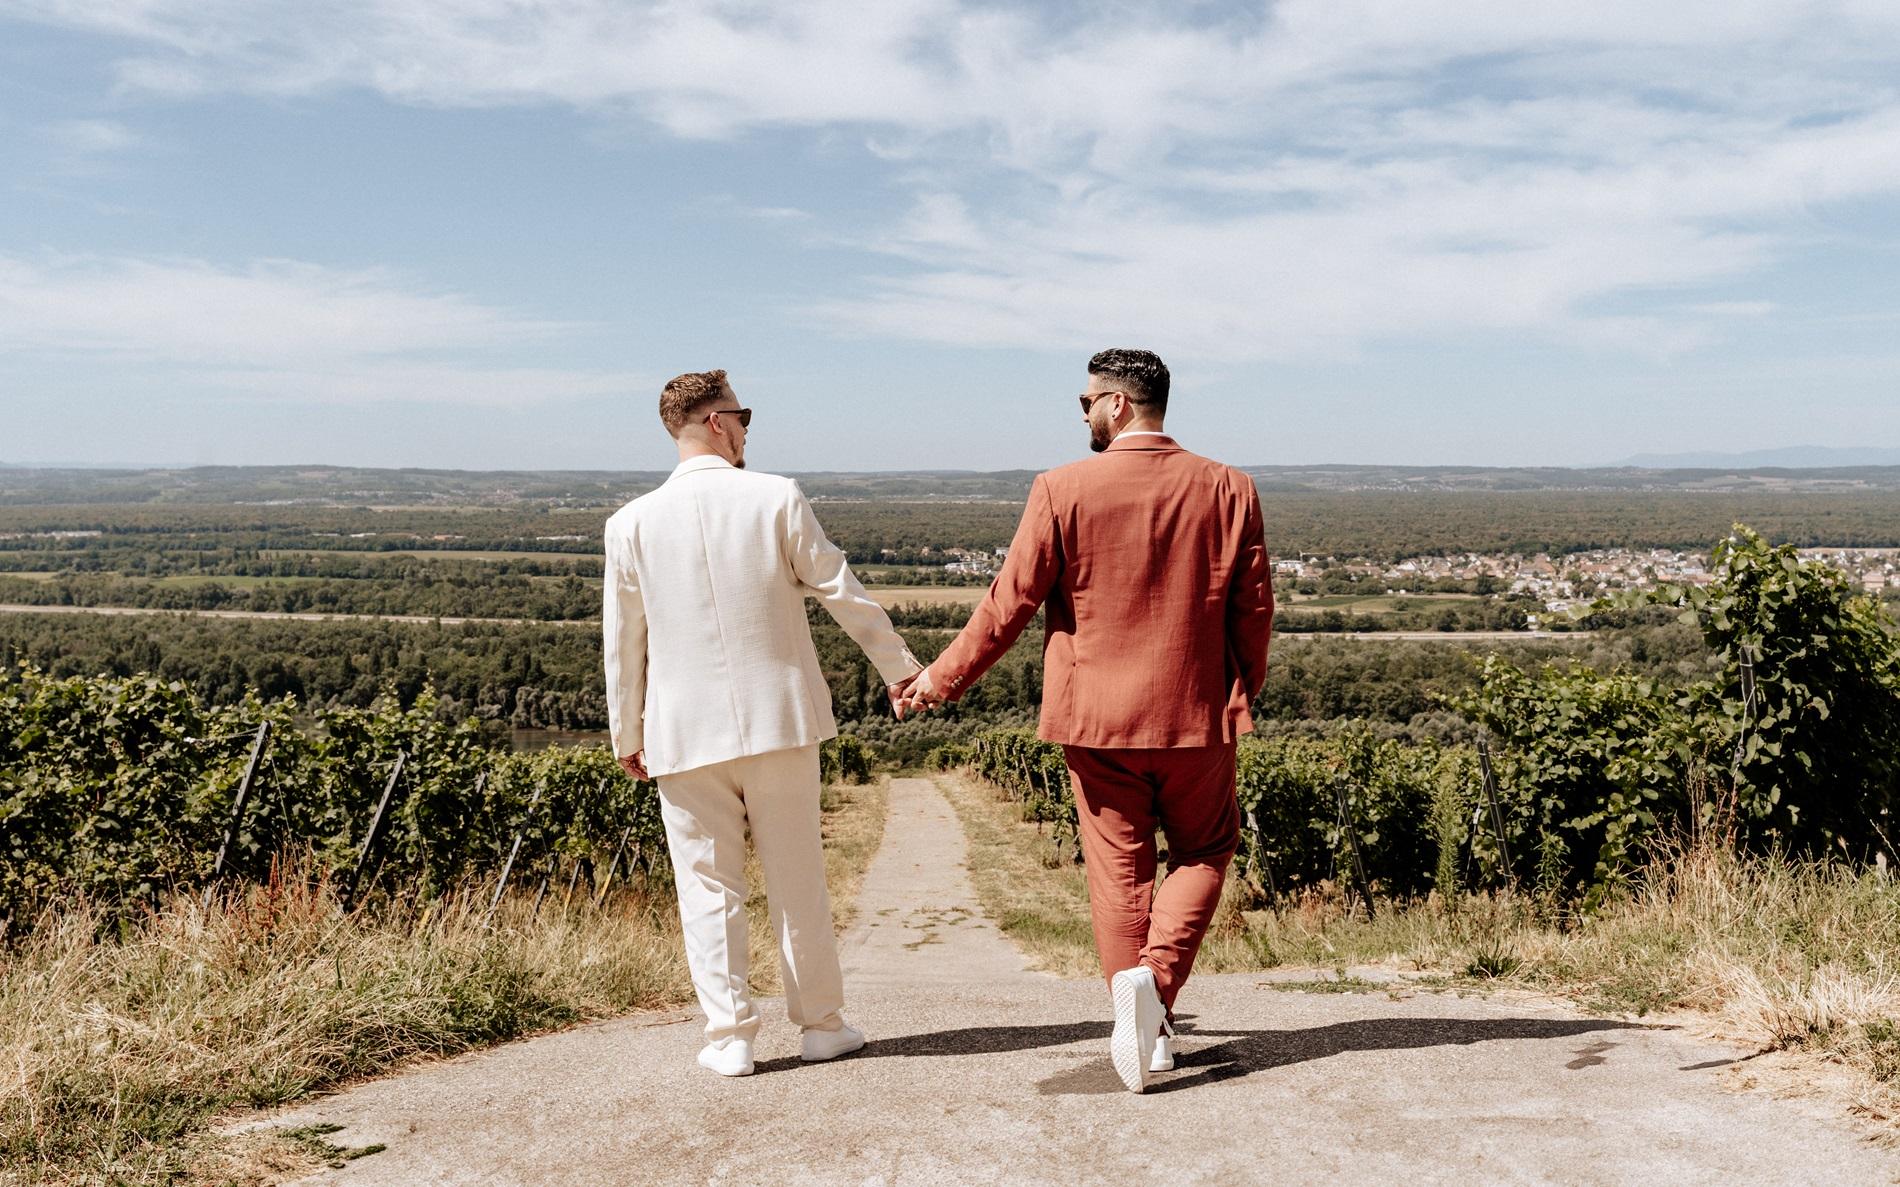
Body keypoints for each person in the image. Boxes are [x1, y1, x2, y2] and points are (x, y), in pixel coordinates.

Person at [904, 348, 1273, 1093]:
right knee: (1206, 850)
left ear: (1118, 405)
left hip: (1096, 721)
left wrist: (938, 681)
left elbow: (1006, 607)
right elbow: (1254, 611)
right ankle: (1155, 997)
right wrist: (1235, 693)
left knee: (1118, 873)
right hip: (1196, 717)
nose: (1080, 414)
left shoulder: (1061, 489)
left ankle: (1140, 1012)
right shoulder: (1230, 487)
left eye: (1085, 401)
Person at [603, 369, 924, 1078]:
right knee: (797, 876)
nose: (747, 428)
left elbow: (624, 642)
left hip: (681, 731)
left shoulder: (628, 524)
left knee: (707, 885)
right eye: (742, 414)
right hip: (780, 720)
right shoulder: (776, 497)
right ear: (717, 421)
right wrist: (900, 668)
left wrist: (628, 731)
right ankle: (822, 1024)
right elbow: (841, 588)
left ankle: (729, 1037)